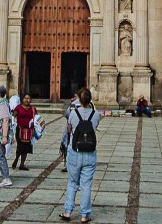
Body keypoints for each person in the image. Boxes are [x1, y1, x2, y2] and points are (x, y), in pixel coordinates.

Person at [62, 87, 99, 223]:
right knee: (86, 185)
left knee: (72, 183)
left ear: (79, 99)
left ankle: (67, 212)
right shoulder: (96, 114)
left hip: (74, 152)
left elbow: (69, 128)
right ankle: (85, 215)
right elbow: (94, 127)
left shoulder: (73, 113)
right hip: (89, 153)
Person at [12, 93, 35, 170]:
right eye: (25, 98)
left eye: (28, 98)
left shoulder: (33, 109)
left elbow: (36, 118)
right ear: (22, 99)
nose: (27, 100)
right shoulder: (18, 108)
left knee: (26, 148)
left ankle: (22, 164)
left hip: (29, 131)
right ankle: (16, 159)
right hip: (20, 130)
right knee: (20, 146)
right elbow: (13, 116)